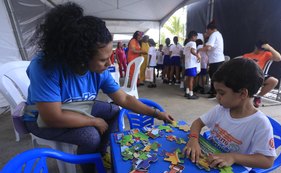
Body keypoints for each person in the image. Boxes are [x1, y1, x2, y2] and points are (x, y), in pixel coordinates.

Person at [24, 3, 174, 173]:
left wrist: (157, 113)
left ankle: (101, 156)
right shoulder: (45, 66)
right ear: (81, 57)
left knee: (115, 111)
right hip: (41, 119)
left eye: (110, 57)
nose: (110, 64)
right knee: (91, 135)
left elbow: (123, 98)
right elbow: (52, 117)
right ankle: (91, 169)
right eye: (104, 60)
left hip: (77, 108)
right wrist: (93, 121)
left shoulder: (99, 70)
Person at [183, 58, 276, 170]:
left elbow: (267, 161)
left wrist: (233, 157)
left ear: (242, 93)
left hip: (234, 168)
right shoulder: (220, 109)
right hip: (210, 158)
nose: (217, 97)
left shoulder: (260, 124)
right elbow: (198, 123)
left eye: (221, 93)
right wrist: (193, 139)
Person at [243, 40, 281, 107]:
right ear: (256, 47)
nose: (261, 51)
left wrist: (270, 48)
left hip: (260, 74)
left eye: (263, 49)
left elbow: (279, 58)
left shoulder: (266, 54)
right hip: (248, 75)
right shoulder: (247, 55)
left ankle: (258, 97)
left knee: (274, 81)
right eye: (260, 49)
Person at [200, 21, 225, 98]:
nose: (207, 32)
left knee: (214, 77)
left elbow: (208, 47)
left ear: (210, 29)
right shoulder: (218, 34)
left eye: (207, 30)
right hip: (217, 59)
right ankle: (213, 91)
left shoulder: (214, 35)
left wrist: (199, 50)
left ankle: (214, 93)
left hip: (216, 60)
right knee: (213, 76)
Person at [183, 31, 201, 99]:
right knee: (191, 79)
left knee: (188, 78)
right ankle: (191, 94)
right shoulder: (193, 43)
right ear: (193, 36)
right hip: (192, 64)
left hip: (187, 64)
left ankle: (187, 92)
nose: (196, 38)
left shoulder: (187, 44)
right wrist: (198, 56)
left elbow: (184, 55)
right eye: (196, 37)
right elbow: (192, 51)